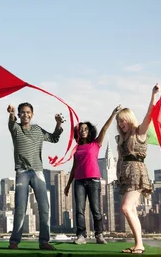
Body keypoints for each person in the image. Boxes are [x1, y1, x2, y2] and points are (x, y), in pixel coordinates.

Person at [7, 102, 64, 250]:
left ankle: (44, 241)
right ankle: (14, 241)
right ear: (19, 115)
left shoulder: (38, 130)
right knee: (20, 207)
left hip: (38, 172)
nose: (25, 115)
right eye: (22, 112)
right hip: (22, 172)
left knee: (44, 207)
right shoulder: (15, 129)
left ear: (32, 114)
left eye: (28, 112)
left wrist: (58, 124)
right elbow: (11, 122)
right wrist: (11, 113)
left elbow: (54, 138)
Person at [64, 105, 122, 245]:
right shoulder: (77, 148)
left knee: (96, 209)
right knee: (79, 210)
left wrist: (113, 114)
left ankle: (99, 234)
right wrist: (67, 185)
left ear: (89, 131)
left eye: (85, 129)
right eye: (80, 129)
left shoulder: (96, 143)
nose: (83, 131)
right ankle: (81, 235)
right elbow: (74, 167)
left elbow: (104, 129)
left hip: (94, 181)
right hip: (78, 181)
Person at [116, 84, 160, 254]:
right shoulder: (121, 139)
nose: (120, 124)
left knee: (126, 208)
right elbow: (120, 158)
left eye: (122, 120)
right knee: (131, 209)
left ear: (129, 119)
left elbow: (149, 115)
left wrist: (153, 96)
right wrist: (119, 174)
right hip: (125, 175)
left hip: (137, 173)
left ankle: (140, 245)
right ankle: (138, 244)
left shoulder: (139, 132)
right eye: (118, 122)